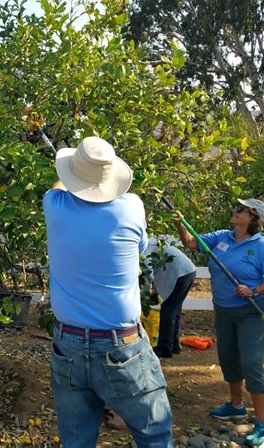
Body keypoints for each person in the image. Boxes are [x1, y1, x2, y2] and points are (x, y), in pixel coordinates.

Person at [43, 136, 174, 448]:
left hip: (68, 342)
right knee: (154, 435)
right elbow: (141, 246)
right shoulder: (131, 208)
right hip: (121, 343)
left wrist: (73, 170)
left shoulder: (54, 206)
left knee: (76, 441)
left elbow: (57, 186)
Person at [176, 198, 264, 447]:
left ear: (253, 218)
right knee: (228, 358)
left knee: (251, 363)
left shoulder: (259, 247)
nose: (234, 211)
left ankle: (262, 424)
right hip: (224, 311)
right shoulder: (221, 237)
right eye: (235, 207)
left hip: (252, 313)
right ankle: (236, 406)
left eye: (240, 209)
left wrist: (254, 290)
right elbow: (192, 243)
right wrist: (180, 223)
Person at [143, 237, 196, 358]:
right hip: (187, 271)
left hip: (181, 273)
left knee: (168, 311)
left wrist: (144, 295)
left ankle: (164, 349)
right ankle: (173, 346)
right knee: (174, 311)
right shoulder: (151, 242)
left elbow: (147, 273)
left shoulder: (145, 247)